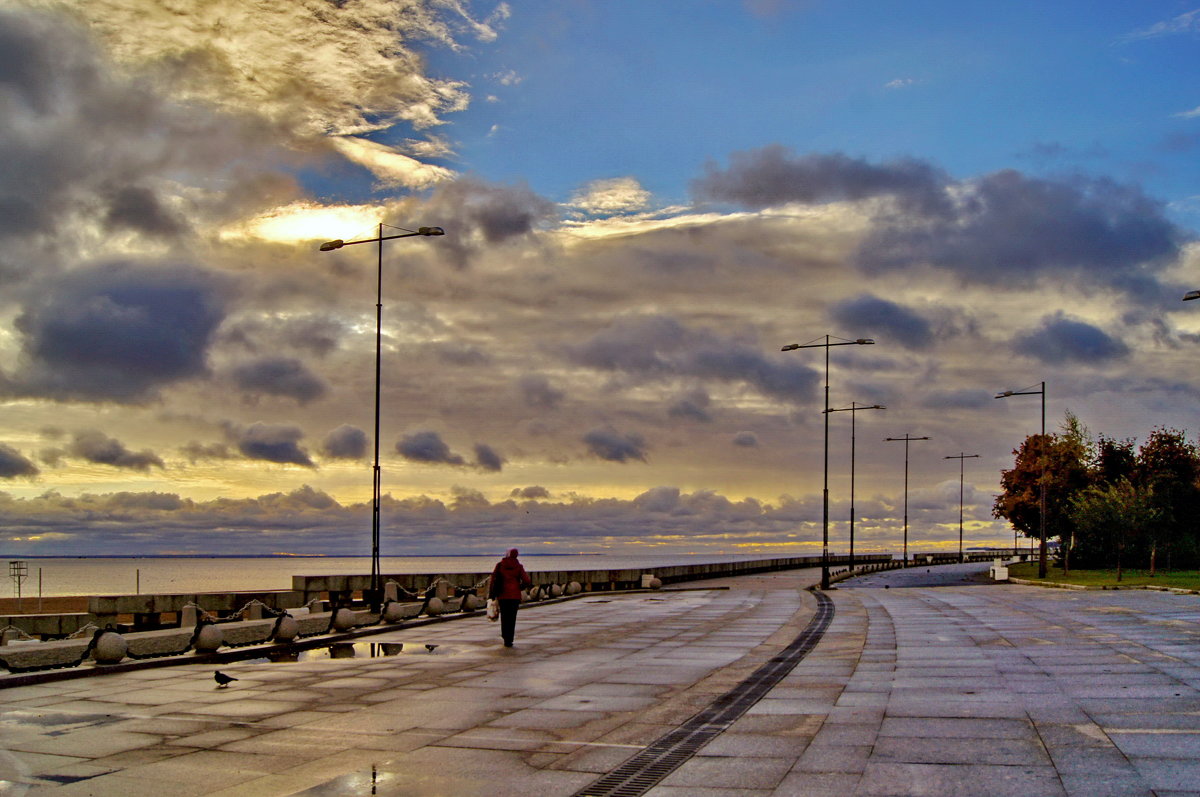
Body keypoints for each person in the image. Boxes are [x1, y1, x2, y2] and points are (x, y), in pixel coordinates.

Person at [489, 548, 532, 647]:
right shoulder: (518, 566)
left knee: (504, 617)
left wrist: (491, 594)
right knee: (512, 618)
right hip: (514, 596)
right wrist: (520, 587)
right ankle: (510, 638)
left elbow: (493, 580)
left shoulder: (500, 565)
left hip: (503, 595)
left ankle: (505, 637)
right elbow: (527, 581)